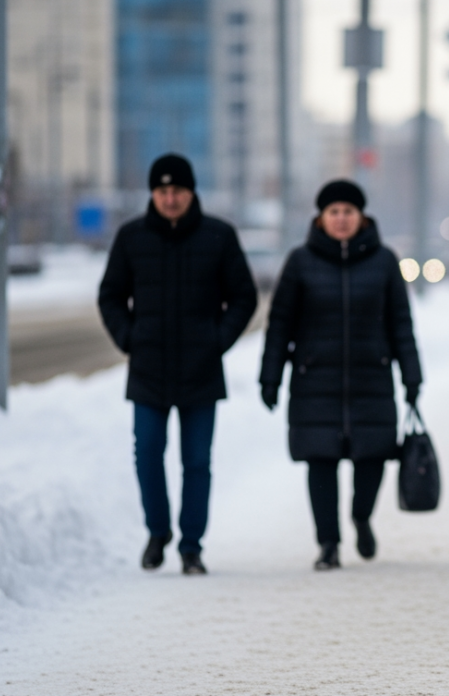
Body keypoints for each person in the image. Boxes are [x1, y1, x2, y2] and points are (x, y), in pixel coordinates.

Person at [98, 153, 259, 575]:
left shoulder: (219, 236)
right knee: (147, 453)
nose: (170, 199)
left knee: (197, 462)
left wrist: (218, 339)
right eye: (163, 191)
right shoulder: (131, 237)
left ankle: (191, 545)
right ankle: (157, 531)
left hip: (200, 370)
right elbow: (110, 295)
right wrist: (129, 338)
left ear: (192, 193)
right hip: (148, 368)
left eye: (178, 191)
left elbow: (244, 296)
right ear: (153, 193)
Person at [258, 180, 422, 571]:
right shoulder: (300, 262)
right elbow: (279, 323)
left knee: (373, 459)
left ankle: (361, 517)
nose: (342, 219)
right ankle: (328, 544)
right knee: (321, 461)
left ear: (362, 217)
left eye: (349, 212)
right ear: (321, 218)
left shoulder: (384, 261)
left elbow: (402, 323)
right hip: (316, 380)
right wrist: (270, 376)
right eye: (334, 212)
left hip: (372, 379)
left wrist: (412, 377)